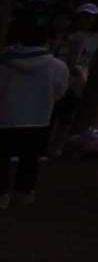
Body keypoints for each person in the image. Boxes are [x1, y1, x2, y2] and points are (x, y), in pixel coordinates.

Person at [0, 13, 68, 207]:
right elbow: (60, 91)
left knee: (2, 158)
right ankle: (24, 193)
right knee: (30, 159)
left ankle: (2, 195)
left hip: (6, 118)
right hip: (39, 119)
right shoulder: (57, 66)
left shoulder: (4, 62)